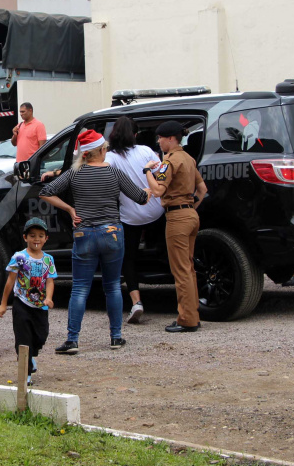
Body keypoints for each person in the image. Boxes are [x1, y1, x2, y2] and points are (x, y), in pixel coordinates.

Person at [40, 129, 149, 354]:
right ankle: (116, 337)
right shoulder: (114, 172)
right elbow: (140, 197)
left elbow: (46, 191)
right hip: (112, 233)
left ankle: (72, 340)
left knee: (80, 288)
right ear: (101, 150)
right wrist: (152, 185)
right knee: (112, 287)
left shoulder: (74, 173)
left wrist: (71, 209)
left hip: (84, 234)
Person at [143, 121, 208, 333]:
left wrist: (147, 172)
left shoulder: (169, 161)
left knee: (180, 271)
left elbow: (159, 190)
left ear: (171, 138)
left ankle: (187, 319)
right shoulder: (188, 158)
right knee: (188, 269)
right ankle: (193, 314)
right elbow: (202, 189)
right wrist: (190, 207)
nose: (158, 142)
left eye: (160, 138)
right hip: (190, 215)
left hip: (177, 219)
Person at [104, 116, 165, 324]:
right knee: (165, 249)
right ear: (135, 135)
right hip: (157, 210)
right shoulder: (146, 151)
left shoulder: (110, 159)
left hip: (131, 217)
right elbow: (162, 174)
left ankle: (136, 302)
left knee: (128, 259)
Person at [0, 217, 56, 386]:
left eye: (40, 235)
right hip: (21, 303)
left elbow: (50, 280)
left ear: (46, 238)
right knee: (23, 338)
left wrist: (49, 298)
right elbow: (10, 281)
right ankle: (26, 372)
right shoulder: (19, 257)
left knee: (40, 336)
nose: (36, 239)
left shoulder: (48, 260)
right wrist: (3, 304)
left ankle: (31, 356)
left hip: (40, 306)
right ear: (25, 238)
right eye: (32, 235)